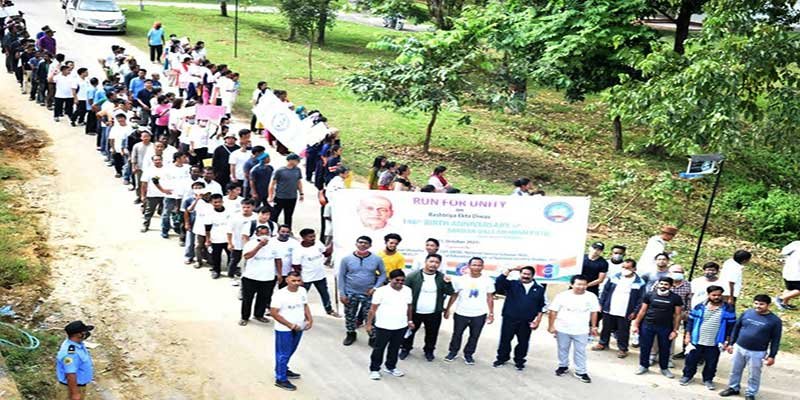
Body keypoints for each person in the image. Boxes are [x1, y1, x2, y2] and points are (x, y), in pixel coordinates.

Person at [719, 295, 783, 400]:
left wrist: (772, 355)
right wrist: (731, 343)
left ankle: (750, 393)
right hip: (739, 347)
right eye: (756, 303)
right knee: (735, 370)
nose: (758, 306)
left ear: (768, 305)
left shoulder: (775, 321)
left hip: (757, 352)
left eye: (761, 304)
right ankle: (733, 388)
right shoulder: (747, 313)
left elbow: (776, 339)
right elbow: (736, 328)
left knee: (754, 374)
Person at [679, 285, 737, 390]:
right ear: (708, 295)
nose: (716, 297)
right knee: (691, 360)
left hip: (715, 342)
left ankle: (708, 379)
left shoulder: (728, 309)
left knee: (711, 363)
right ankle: (687, 376)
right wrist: (687, 336)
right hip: (696, 340)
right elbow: (690, 323)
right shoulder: (699, 307)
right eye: (714, 295)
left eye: (719, 295)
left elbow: (731, 327)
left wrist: (727, 340)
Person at [400, 254, 454, 362]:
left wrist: (448, 283)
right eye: (431, 261)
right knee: (409, 332)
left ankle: (429, 351)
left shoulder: (442, 277)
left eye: (436, 262)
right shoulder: (413, 276)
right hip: (415, 311)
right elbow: (404, 292)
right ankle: (405, 349)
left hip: (434, 312)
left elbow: (450, 292)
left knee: (432, 334)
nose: (433, 264)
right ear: (425, 262)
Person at [493, 265, 546, 370]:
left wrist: (537, 321)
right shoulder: (512, 284)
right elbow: (499, 282)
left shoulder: (539, 288)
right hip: (509, 318)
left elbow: (541, 306)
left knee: (523, 342)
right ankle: (502, 358)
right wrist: (509, 269)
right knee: (505, 340)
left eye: (528, 274)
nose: (525, 276)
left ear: (533, 276)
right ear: (520, 274)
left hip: (527, 321)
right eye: (523, 274)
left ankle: (519, 361)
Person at [443, 257, 495, 365]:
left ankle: (468, 354)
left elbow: (490, 297)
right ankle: (453, 352)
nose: (476, 267)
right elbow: (454, 295)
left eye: (479, 265)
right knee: (457, 334)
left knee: (474, 335)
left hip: (479, 314)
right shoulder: (460, 279)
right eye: (474, 265)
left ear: (482, 267)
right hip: (461, 312)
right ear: (469, 266)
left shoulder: (488, 280)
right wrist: (447, 309)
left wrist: (491, 313)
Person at [548, 275, 599, 383]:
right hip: (563, 328)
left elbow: (594, 312)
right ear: (572, 285)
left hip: (581, 329)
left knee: (580, 351)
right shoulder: (562, 296)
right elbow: (553, 311)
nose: (581, 287)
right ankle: (563, 366)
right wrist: (551, 326)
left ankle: (581, 371)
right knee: (563, 348)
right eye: (579, 284)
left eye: (584, 284)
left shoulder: (591, 296)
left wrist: (594, 326)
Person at [366, 269, 413, 380]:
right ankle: (374, 369)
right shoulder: (381, 291)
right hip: (383, 325)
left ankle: (390, 367)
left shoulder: (407, 290)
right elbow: (372, 309)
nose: (400, 283)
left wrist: (410, 321)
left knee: (395, 348)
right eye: (397, 280)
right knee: (379, 348)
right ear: (390, 279)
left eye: (402, 280)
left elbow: (409, 306)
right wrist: (368, 324)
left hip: (401, 325)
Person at [339, 236, 387, 346]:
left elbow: (383, 274)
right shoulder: (346, 259)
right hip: (350, 292)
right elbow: (341, 276)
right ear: (356, 244)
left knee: (370, 316)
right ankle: (351, 333)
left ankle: (372, 336)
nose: (363, 245)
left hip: (368, 293)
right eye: (360, 242)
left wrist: (375, 287)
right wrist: (342, 293)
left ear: (370, 245)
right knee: (350, 315)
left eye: (366, 243)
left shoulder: (376, 259)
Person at [632, 277, 683, 378]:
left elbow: (678, 315)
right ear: (658, 284)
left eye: (666, 284)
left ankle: (664, 368)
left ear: (671, 286)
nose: (663, 286)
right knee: (645, 347)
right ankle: (643, 366)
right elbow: (642, 311)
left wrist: (675, 330)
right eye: (662, 284)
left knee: (665, 348)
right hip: (647, 325)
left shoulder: (676, 298)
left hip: (665, 327)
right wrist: (636, 324)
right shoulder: (649, 295)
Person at [595, 259, 645, 358]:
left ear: (634, 269)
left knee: (623, 330)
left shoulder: (640, 282)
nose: (625, 269)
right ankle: (603, 343)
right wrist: (601, 303)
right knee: (606, 327)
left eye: (628, 268)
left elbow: (640, 299)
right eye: (623, 267)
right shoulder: (614, 277)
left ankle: (622, 348)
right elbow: (605, 291)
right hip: (610, 307)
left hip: (626, 310)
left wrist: (635, 312)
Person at [270, 271, 311, 391]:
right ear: (287, 280)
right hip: (284, 329)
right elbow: (274, 313)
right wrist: (290, 325)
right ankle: (281, 378)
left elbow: (305, 305)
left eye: (298, 280)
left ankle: (282, 369)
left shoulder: (302, 291)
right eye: (293, 280)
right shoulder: (280, 295)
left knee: (291, 350)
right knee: (283, 353)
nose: (296, 283)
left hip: (299, 327)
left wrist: (310, 319)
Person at [240, 224, 282, 326]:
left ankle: (259, 315)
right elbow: (247, 256)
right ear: (256, 234)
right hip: (251, 277)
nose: (264, 236)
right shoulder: (250, 244)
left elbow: (278, 259)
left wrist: (279, 274)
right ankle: (244, 317)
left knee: (263, 298)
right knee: (247, 298)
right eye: (261, 234)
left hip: (268, 277)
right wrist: (259, 246)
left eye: (266, 233)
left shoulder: (275, 245)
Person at [292, 228, 340, 317]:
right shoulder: (298, 250)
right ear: (303, 237)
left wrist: (333, 244)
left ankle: (329, 309)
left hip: (320, 275)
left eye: (314, 236)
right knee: (301, 295)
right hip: (306, 278)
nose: (313, 238)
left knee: (325, 293)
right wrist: (299, 279)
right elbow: (296, 267)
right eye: (310, 237)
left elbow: (326, 253)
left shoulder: (318, 243)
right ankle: (297, 311)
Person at [56, 320, 95, 400]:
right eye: (84, 331)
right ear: (78, 334)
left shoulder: (76, 344)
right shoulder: (71, 353)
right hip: (70, 389)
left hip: (76, 387)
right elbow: (70, 374)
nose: (86, 333)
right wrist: (75, 394)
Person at [269, 153, 304, 229]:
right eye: (297, 160)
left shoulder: (297, 170)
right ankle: (273, 229)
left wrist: (301, 193)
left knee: (288, 216)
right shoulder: (280, 171)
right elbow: (272, 184)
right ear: (290, 160)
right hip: (280, 197)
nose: (298, 162)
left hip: (292, 197)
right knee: (275, 215)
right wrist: (270, 196)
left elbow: (299, 182)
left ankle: (288, 230)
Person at [227, 198, 257, 279]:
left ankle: (248, 276)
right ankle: (231, 276)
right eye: (243, 207)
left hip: (251, 244)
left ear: (253, 207)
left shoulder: (256, 217)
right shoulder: (234, 217)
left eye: (248, 207)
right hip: (237, 243)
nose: (245, 209)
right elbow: (229, 231)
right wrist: (229, 243)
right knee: (234, 261)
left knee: (250, 261)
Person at [206, 193, 233, 279]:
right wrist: (208, 239)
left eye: (219, 202)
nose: (217, 204)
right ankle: (216, 270)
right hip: (216, 239)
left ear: (222, 202)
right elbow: (207, 228)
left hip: (228, 238)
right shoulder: (209, 213)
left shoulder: (229, 211)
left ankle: (231, 270)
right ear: (211, 203)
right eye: (215, 202)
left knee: (231, 255)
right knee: (216, 256)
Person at [775, 240, 800, 310]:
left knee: (790, 288)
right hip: (796, 273)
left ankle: (784, 304)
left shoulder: (796, 243)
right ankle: (780, 298)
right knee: (797, 289)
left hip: (787, 270)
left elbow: (783, 251)